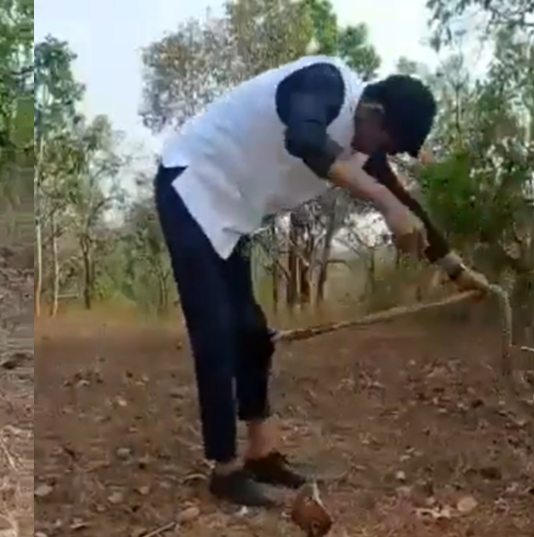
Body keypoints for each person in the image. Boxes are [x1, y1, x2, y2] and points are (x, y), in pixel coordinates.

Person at [154, 55, 492, 507]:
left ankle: (262, 454)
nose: (382, 157)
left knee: (253, 334)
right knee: (216, 332)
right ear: (374, 113)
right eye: (388, 145)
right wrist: (383, 204)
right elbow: (304, 139)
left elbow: (404, 203)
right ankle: (225, 470)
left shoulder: (361, 145)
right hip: (190, 185)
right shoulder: (326, 84)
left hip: (233, 213)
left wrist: (457, 271)